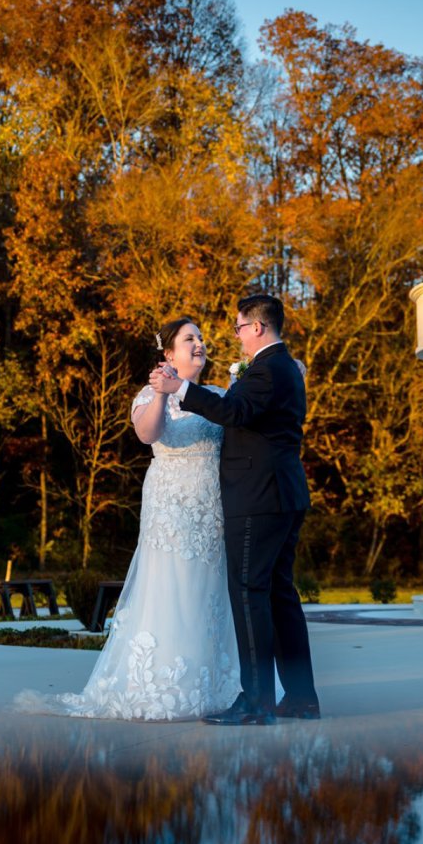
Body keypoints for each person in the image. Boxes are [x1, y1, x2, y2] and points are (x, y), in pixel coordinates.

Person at [16, 317, 240, 721]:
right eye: (190, 339)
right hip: (171, 506)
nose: (200, 344)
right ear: (169, 353)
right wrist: (160, 393)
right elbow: (147, 435)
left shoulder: (218, 395)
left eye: (202, 338)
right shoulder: (149, 394)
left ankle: (216, 685)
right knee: (171, 587)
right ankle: (168, 685)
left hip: (212, 505)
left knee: (209, 592)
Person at [150, 294, 319, 725]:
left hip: (258, 498)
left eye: (240, 327)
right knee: (280, 597)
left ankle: (257, 702)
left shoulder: (267, 369)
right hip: (282, 496)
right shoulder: (280, 368)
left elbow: (234, 411)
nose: (237, 335)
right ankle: (301, 698)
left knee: (249, 597)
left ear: (257, 328)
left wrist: (180, 389)